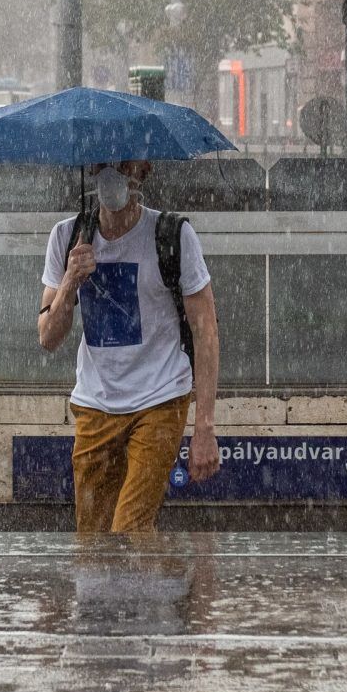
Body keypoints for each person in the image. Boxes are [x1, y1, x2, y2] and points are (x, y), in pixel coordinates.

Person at [38, 161, 221, 534]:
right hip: (95, 405)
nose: (113, 175)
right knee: (93, 538)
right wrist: (71, 280)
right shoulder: (68, 236)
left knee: (128, 530)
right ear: (90, 172)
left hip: (160, 399)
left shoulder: (172, 234)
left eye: (124, 165)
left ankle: (156, 586)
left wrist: (203, 427)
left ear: (144, 170)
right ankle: (168, 585)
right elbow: (48, 336)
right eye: (103, 164)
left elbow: (206, 333)